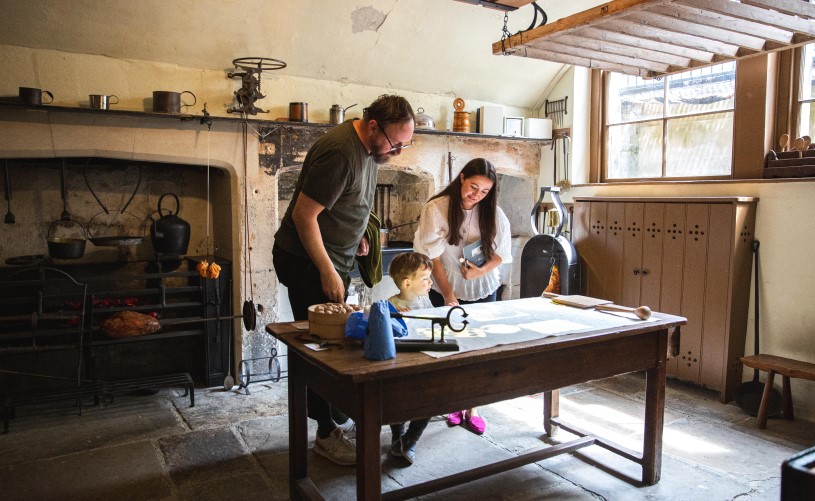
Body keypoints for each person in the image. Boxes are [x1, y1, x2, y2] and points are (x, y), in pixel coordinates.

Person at [273, 95, 415, 466]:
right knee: (322, 348)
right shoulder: (340, 152)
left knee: (336, 342)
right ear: (372, 125)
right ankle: (324, 433)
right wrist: (326, 270)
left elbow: (344, 202)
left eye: (405, 144)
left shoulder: (370, 148)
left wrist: (358, 235)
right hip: (305, 261)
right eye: (395, 143)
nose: (398, 151)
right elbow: (305, 216)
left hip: (335, 255)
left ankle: (331, 418)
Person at [413, 158, 512, 435]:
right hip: (445, 284)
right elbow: (433, 258)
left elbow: (502, 253)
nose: (477, 195)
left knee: (479, 349)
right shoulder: (437, 209)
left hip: (483, 286)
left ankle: (473, 407)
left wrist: (480, 272)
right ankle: (454, 403)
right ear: (462, 178)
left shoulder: (493, 213)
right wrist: (448, 295)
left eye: (484, 191)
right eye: (473, 187)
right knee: (452, 349)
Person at [386, 252, 434, 465]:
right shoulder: (391, 305)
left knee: (427, 401)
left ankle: (410, 440)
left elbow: (434, 320)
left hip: (425, 360)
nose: (430, 282)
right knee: (396, 402)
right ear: (406, 283)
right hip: (401, 365)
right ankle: (398, 436)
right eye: (425, 279)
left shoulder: (425, 301)